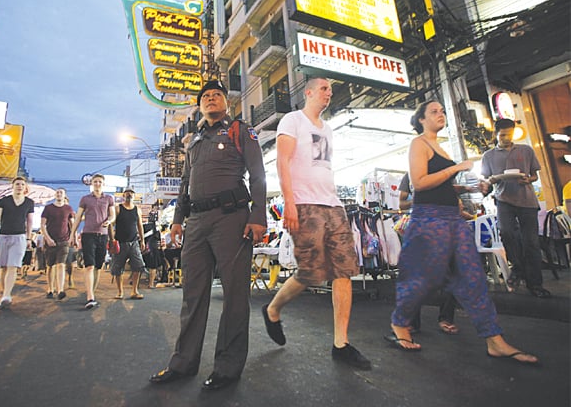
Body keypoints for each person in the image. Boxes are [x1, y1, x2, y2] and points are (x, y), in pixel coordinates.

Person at [386, 100, 537, 365]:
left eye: (442, 111)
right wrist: (455, 168)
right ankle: (399, 324)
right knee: (423, 278)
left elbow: (441, 184)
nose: (440, 114)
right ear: (420, 119)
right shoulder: (418, 144)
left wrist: (467, 189)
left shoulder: (439, 147)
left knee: (472, 276)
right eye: (434, 112)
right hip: (429, 218)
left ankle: (494, 340)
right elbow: (420, 184)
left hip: (452, 218)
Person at [149, 79, 267, 391]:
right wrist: (177, 220)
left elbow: (258, 175)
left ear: (226, 103)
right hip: (196, 223)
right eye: (205, 97)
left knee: (234, 295)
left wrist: (259, 216)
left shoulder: (240, 131)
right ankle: (183, 363)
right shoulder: (195, 141)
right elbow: (185, 182)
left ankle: (227, 368)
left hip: (231, 218)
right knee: (192, 294)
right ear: (200, 106)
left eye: (216, 95)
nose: (211, 99)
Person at [260, 77, 370, 370]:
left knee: (344, 271)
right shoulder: (293, 120)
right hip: (305, 204)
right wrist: (290, 202)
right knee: (311, 273)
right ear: (308, 93)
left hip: (333, 204)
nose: (329, 93)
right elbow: (282, 162)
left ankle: (341, 344)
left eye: (331, 90)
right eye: (324, 89)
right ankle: (273, 309)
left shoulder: (329, 130)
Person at [481, 118, 550, 298]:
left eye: (509, 134)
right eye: (502, 135)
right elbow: (486, 181)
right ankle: (518, 268)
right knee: (507, 233)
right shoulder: (488, 156)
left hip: (527, 201)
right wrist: (492, 180)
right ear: (495, 134)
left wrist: (529, 179)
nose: (506, 138)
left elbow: (534, 175)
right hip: (503, 200)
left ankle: (535, 284)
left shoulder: (526, 150)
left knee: (532, 243)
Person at [399, 172, 460, 335]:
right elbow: (402, 204)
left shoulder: (445, 175)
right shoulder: (410, 175)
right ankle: (412, 321)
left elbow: (456, 202)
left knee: (450, 275)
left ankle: (446, 318)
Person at [70, 173, 115, 309]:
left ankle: (91, 291)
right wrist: (73, 234)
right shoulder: (85, 199)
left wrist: (109, 221)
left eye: (100, 182)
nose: (97, 184)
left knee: (98, 266)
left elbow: (112, 215)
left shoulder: (109, 198)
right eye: (95, 182)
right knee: (89, 265)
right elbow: (78, 217)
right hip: (88, 235)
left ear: (103, 184)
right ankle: (90, 296)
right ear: (91, 184)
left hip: (103, 235)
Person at [0, 176, 35, 310]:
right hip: (3, 235)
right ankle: (5, 292)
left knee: (13, 266)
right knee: (3, 267)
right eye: (17, 184)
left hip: (19, 237)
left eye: (22, 184)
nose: (19, 186)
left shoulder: (29, 203)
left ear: (25, 187)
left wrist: (28, 238)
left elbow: (30, 222)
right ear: (12, 186)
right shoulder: (4, 201)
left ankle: (7, 295)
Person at [110, 186, 146, 299]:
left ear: (134, 196)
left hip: (134, 242)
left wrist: (143, 240)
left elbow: (140, 226)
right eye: (127, 193)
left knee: (138, 266)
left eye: (131, 193)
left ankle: (134, 291)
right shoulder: (118, 208)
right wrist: (112, 239)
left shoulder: (137, 209)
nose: (129, 194)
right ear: (123, 195)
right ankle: (120, 292)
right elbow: (111, 223)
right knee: (118, 268)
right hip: (120, 243)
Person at [40, 188, 75, 301]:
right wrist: (47, 238)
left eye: (61, 193)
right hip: (50, 241)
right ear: (55, 195)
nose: (59, 194)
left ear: (64, 195)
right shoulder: (48, 208)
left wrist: (73, 238)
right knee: (50, 266)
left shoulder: (68, 208)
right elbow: (42, 225)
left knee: (61, 264)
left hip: (64, 240)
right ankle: (50, 288)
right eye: (57, 192)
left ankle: (60, 289)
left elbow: (72, 224)